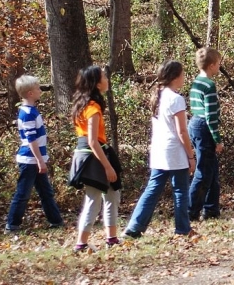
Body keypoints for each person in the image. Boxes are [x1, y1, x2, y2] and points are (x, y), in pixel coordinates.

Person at [125, 61, 195, 238]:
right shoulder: (176, 99)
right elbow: (181, 131)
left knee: (153, 188)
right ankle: (183, 228)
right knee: (180, 189)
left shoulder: (158, 95)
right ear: (175, 77)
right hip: (174, 151)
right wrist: (191, 155)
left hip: (158, 150)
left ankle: (134, 227)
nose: (184, 78)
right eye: (182, 74)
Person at [69, 66, 123, 251]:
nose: (107, 79)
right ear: (97, 83)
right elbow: (92, 141)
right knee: (94, 199)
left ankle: (112, 238)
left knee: (112, 194)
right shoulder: (92, 107)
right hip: (93, 157)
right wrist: (107, 166)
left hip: (91, 155)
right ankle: (81, 243)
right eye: (104, 77)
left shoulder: (84, 104)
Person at [5, 75, 64, 233]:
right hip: (30, 160)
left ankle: (56, 221)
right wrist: (39, 161)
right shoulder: (27, 113)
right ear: (30, 93)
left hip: (35, 159)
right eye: (38, 88)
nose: (40, 90)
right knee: (23, 193)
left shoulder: (31, 110)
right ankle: (12, 225)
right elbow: (31, 139)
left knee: (45, 192)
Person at [188, 47, 223, 221]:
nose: (219, 66)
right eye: (218, 64)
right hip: (203, 126)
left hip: (195, 124)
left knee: (212, 170)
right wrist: (217, 139)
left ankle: (211, 209)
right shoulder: (209, 85)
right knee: (203, 171)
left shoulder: (197, 82)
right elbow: (210, 115)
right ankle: (190, 211)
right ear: (211, 65)